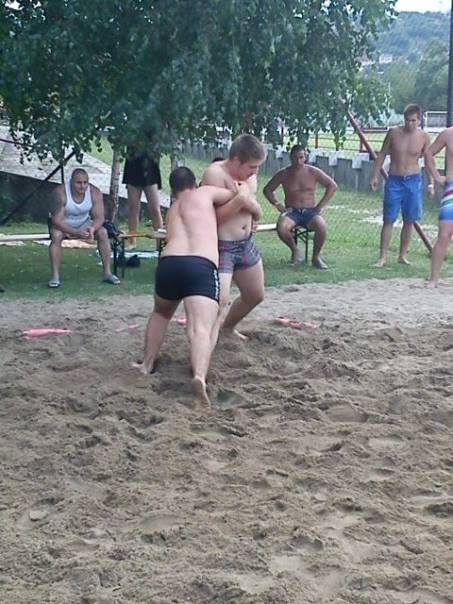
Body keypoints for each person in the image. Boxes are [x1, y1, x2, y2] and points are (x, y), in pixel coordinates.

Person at [134, 167, 252, 412]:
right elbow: (233, 195)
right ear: (195, 184)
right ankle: (199, 376)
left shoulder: (173, 209)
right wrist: (242, 192)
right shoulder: (206, 193)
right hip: (199, 264)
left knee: (160, 313)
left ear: (172, 190)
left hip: (169, 263)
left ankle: (146, 364)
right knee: (200, 327)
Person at [201, 134, 266, 339]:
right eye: (252, 167)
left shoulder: (249, 177)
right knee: (219, 301)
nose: (255, 172)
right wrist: (240, 200)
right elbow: (212, 218)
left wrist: (250, 206)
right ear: (236, 160)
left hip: (245, 243)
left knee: (255, 295)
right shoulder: (214, 174)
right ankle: (204, 343)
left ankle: (227, 328)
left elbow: (256, 210)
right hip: (222, 246)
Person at [370, 103, 431, 267]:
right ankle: (382, 257)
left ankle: (402, 255)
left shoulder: (423, 137)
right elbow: (382, 154)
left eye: (413, 120)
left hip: (413, 180)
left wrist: (431, 183)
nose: (410, 123)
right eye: (407, 120)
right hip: (394, 180)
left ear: (419, 120)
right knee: (388, 218)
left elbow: (428, 161)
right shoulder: (393, 133)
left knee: (409, 220)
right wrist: (374, 175)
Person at [263, 144, 337, 268]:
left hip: (310, 211)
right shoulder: (284, 173)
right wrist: (278, 205)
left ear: (305, 157)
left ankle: (316, 258)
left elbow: (332, 186)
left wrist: (320, 206)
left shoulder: (313, 171)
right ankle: (295, 251)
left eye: (301, 158)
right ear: (290, 158)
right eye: (295, 158)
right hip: (292, 212)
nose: (298, 161)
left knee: (321, 226)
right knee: (282, 227)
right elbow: (267, 190)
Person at [48, 168, 120, 288]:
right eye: (79, 183)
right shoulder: (60, 192)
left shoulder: (94, 192)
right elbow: (56, 221)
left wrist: (92, 229)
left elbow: (100, 218)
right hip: (63, 224)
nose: (82, 186)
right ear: (71, 182)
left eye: (85, 183)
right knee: (56, 235)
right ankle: (55, 276)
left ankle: (107, 273)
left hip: (84, 223)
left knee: (102, 232)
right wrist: (74, 232)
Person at [424, 127, 452, 287]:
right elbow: (428, 153)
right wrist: (435, 176)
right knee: (444, 234)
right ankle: (433, 279)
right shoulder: (448, 134)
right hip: (451, 189)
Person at [123, 147, 164, 249]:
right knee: (133, 207)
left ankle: (160, 244)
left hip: (150, 168)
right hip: (133, 165)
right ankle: (132, 241)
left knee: (155, 209)